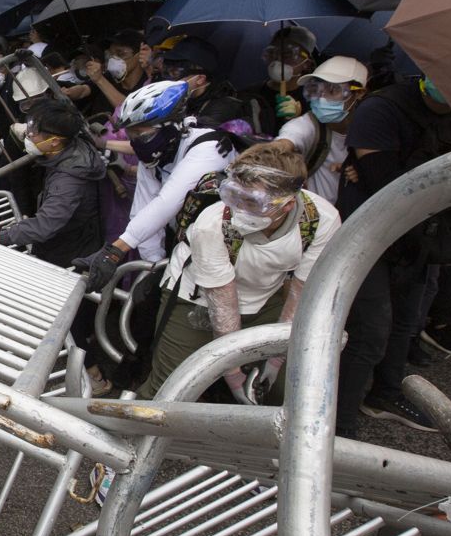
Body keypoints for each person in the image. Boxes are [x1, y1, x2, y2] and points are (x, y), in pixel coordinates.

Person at [139, 144, 340, 398]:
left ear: (287, 205)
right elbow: (223, 305)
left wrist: (277, 358)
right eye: (233, 195)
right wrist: (233, 376)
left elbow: (302, 290)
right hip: (196, 299)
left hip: (266, 298)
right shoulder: (212, 224)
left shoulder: (320, 219)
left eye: (252, 201)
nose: (238, 209)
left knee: (292, 384)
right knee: (171, 388)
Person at [336, 73, 451, 436]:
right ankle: (338, 424)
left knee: (407, 320)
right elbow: (386, 183)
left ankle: (385, 394)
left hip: (420, 236)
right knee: (369, 331)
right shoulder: (383, 109)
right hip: (371, 235)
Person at [75, 79, 237, 288]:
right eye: (131, 134)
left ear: (170, 126)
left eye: (142, 133)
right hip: (187, 239)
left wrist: (114, 252)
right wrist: (151, 269)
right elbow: (143, 209)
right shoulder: (156, 155)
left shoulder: (209, 148)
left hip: (231, 249)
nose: (135, 142)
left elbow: (167, 202)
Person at [0, 101, 105, 267]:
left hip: (69, 253)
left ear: (55, 141)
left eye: (33, 132)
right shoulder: (69, 146)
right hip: (66, 240)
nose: (28, 134)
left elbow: (45, 225)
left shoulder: (68, 181)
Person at [268, 56, 367, 201]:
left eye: (333, 90)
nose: (322, 98)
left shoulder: (370, 131)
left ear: (359, 93)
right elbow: (288, 139)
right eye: (316, 90)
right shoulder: (308, 124)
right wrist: (272, 150)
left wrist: (363, 171)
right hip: (314, 219)